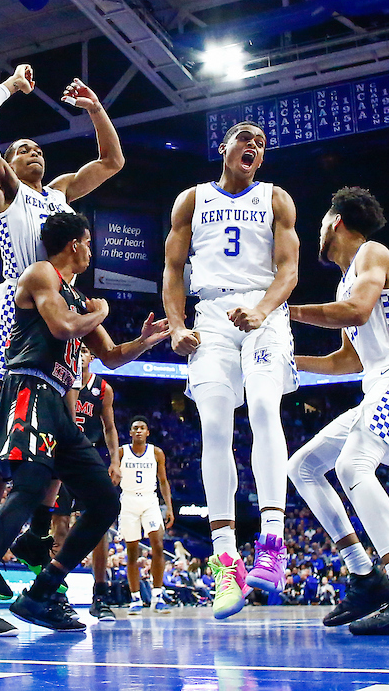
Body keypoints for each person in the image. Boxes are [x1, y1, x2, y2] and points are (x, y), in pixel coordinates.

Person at [0, 212, 168, 635]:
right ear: (75, 244)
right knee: (28, 489)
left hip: (59, 404)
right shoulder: (42, 274)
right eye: (88, 242)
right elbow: (62, 329)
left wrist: (144, 342)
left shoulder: (79, 299)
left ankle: (41, 593)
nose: (92, 251)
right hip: (30, 388)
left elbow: (112, 356)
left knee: (104, 502)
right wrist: (102, 312)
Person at [0, 64, 125, 583]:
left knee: (64, 408)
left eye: (39, 149)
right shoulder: (4, 187)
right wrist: (11, 87)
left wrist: (96, 109)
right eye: (23, 146)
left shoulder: (60, 195)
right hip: (21, 301)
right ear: (6, 159)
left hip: (60, 298)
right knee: (16, 410)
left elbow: (112, 161)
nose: (35, 152)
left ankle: (37, 528)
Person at [286, 187, 389, 636]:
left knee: (352, 465)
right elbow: (349, 361)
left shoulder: (371, 254)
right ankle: (364, 573)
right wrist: (290, 361)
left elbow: (357, 313)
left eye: (321, 218)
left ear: (336, 220)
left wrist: (287, 311)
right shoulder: (345, 281)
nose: (318, 227)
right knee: (301, 467)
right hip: (379, 381)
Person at [162, 120, 299, 619]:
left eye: (261, 144)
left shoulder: (276, 199)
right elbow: (173, 270)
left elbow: (289, 270)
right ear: (224, 148)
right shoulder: (192, 200)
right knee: (214, 428)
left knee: (265, 410)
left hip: (264, 314)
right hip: (212, 316)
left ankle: (272, 545)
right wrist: (176, 326)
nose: (254, 147)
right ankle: (225, 564)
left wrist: (262, 309)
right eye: (245, 138)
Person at [11, 344, 123, 621]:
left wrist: (115, 462)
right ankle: (57, 593)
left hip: (87, 457)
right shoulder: (61, 381)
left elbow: (109, 427)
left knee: (100, 526)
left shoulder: (103, 388)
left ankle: (101, 594)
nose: (82, 354)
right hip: (61, 455)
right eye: (79, 349)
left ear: (92, 357)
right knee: (58, 524)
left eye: (87, 350)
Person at [118, 416, 175, 615]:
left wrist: (169, 507)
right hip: (129, 501)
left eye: (143, 427)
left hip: (150, 501)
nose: (139, 431)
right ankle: (135, 599)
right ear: (131, 433)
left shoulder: (157, 453)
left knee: (158, 546)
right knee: (132, 552)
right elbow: (113, 478)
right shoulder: (122, 452)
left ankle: (158, 596)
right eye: (136, 428)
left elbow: (164, 481)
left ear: (148, 432)